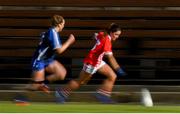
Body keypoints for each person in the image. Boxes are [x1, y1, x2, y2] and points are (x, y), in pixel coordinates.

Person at [55, 23, 126, 103]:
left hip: (98, 61)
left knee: (112, 76)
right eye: (116, 34)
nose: (117, 37)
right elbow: (110, 57)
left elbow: (96, 35)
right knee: (81, 82)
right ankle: (61, 92)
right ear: (111, 33)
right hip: (91, 63)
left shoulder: (103, 34)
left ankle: (103, 95)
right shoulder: (107, 41)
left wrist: (95, 37)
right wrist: (118, 68)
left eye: (118, 35)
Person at [27, 14, 75, 93]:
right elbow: (59, 51)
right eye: (63, 24)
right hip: (39, 61)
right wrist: (69, 41)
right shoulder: (53, 33)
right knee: (33, 87)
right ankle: (19, 96)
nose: (63, 26)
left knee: (61, 73)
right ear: (59, 25)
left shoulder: (52, 32)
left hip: (48, 60)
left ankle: (42, 84)